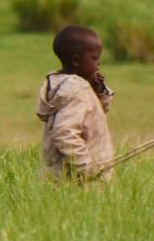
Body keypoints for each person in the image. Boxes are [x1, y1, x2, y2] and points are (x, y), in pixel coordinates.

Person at [36, 25, 115, 182]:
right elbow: (64, 132)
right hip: (79, 179)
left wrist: (98, 93)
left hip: (60, 174)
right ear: (76, 60)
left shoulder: (60, 85)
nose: (98, 63)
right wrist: (85, 166)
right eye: (94, 58)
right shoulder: (77, 91)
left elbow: (91, 115)